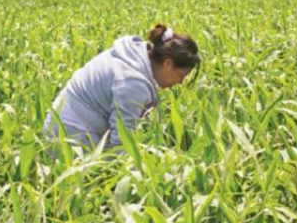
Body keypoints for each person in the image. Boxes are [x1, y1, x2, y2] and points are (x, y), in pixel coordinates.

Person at [43, 24, 200, 155]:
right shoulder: (133, 82)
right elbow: (121, 143)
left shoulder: (134, 56)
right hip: (70, 136)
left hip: (63, 125)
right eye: (182, 75)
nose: (180, 82)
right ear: (168, 64)